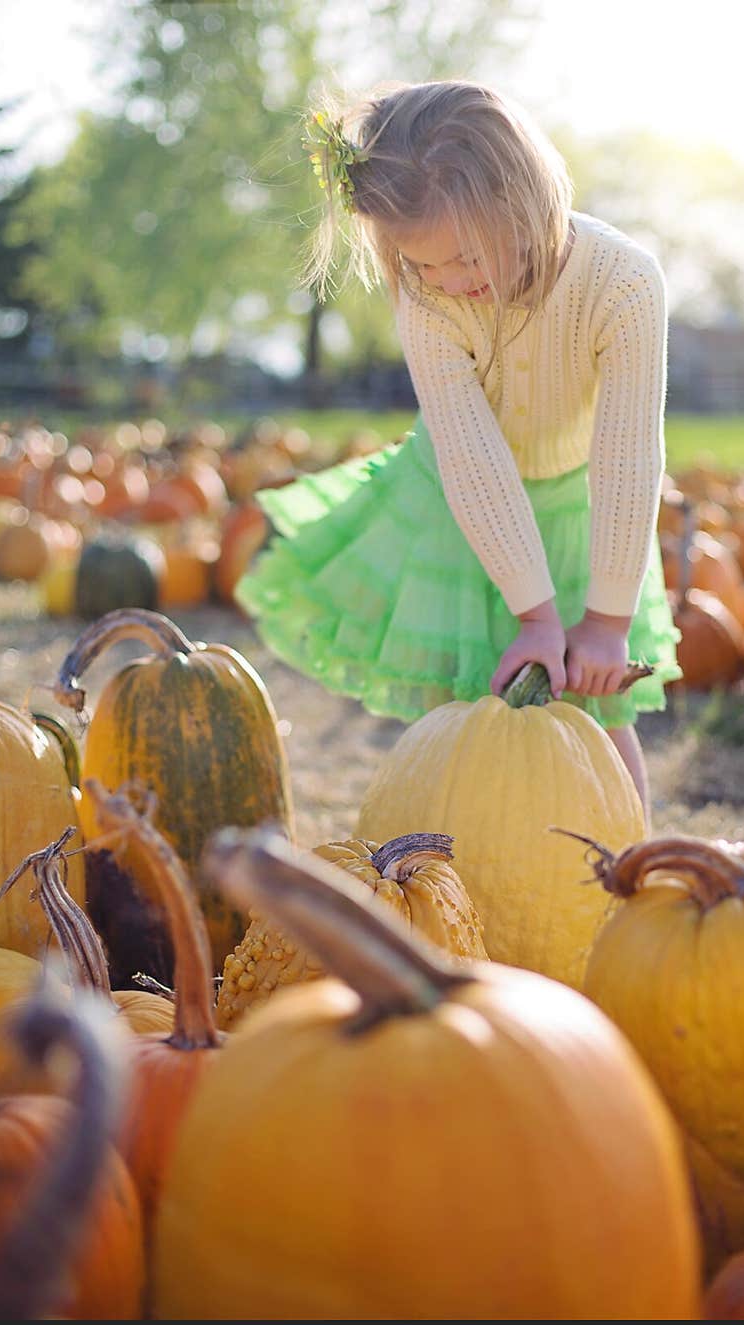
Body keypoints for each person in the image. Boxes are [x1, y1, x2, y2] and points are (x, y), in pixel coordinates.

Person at [236, 80, 681, 825]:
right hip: (461, 504)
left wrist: (602, 621)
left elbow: (628, 461)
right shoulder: (430, 300)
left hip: (579, 504)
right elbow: (472, 460)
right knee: (464, 702)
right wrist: (533, 616)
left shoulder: (624, 284)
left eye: (463, 260)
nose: (445, 283)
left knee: (600, 716)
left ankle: (629, 868)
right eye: (421, 265)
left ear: (524, 205)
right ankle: (452, 872)